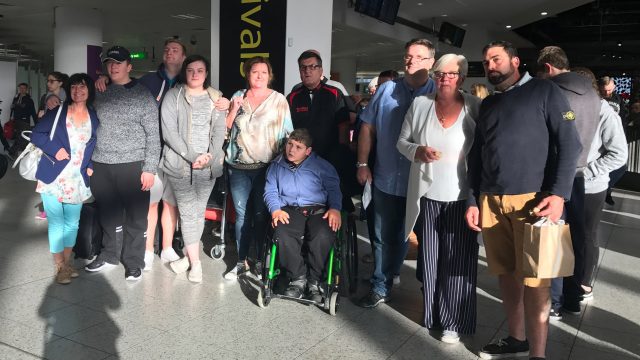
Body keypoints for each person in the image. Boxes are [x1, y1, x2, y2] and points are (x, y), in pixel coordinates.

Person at [465, 41, 581, 360]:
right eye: (486, 61)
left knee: (536, 280)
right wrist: (473, 199)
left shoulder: (545, 92)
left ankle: (538, 355)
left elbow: (571, 145)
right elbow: (477, 157)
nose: (490, 66)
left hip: (534, 201)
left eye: (496, 59)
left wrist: (559, 194)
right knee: (505, 274)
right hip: (491, 200)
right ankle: (517, 338)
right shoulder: (488, 105)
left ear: (515, 61)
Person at [397, 54, 480, 343]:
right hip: (428, 195)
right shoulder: (420, 105)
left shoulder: (475, 107)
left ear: (462, 77)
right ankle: (432, 313)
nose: (444, 78)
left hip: (461, 197)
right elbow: (402, 141)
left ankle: (453, 321)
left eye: (451, 74)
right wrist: (417, 151)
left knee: (458, 262)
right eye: (439, 73)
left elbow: (482, 153)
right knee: (431, 261)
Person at [356, 38, 436, 308]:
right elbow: (367, 127)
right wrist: (362, 163)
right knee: (380, 235)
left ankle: (407, 280)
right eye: (408, 56)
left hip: (424, 182)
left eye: (418, 57)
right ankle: (380, 285)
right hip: (386, 176)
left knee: (407, 236)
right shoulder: (387, 90)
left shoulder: (438, 92)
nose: (410, 61)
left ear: (431, 62)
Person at [85, 46, 161, 282]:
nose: (114, 66)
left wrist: (149, 168)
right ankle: (109, 255)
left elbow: (153, 134)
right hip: (101, 163)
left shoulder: (142, 95)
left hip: (133, 164)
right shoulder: (99, 91)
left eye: (119, 63)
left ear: (129, 66)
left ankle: (134, 262)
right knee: (108, 214)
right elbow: (79, 109)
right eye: (110, 63)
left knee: (137, 217)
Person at [536, 46, 601, 320]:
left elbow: (551, 138)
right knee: (575, 239)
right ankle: (573, 297)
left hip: (554, 176)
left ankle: (554, 300)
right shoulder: (593, 94)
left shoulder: (554, 92)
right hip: (578, 176)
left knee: (552, 240)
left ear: (548, 68)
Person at [224, 56, 293, 279]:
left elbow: (287, 134)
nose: (259, 76)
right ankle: (242, 260)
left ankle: (263, 262)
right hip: (238, 167)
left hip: (267, 168)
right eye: (255, 71)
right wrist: (233, 110)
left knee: (262, 215)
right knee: (242, 216)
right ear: (248, 74)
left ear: (269, 75)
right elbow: (225, 128)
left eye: (264, 72)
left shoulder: (279, 100)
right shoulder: (238, 96)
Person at [161, 54, 227, 283]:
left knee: (197, 214)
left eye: (200, 70)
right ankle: (196, 264)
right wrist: (192, 156)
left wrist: (208, 157)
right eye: (190, 70)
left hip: (207, 167)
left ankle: (188, 259)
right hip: (181, 166)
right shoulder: (173, 96)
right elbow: (169, 132)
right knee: (189, 213)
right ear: (185, 72)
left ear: (206, 73)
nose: (195, 74)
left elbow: (220, 131)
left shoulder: (217, 98)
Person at [30, 73, 99, 284]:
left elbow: (94, 145)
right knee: (57, 222)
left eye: (83, 87)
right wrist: (55, 149)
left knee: (72, 223)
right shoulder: (58, 112)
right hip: (54, 175)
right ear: (69, 90)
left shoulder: (93, 116)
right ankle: (60, 266)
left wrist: (90, 166)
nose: (78, 91)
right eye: (74, 87)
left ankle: (66, 263)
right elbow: (36, 135)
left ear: (89, 90)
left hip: (77, 178)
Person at [263, 128, 342, 301]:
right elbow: (270, 191)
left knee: (322, 234)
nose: (291, 150)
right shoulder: (276, 166)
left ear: (308, 151)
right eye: (290, 144)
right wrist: (275, 210)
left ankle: (314, 281)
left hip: (318, 209)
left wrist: (335, 208)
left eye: (298, 147)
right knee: (282, 232)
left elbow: (334, 189)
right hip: (290, 209)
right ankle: (297, 278)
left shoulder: (322, 166)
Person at [573, 66, 628, 306]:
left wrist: (587, 172)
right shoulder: (570, 108)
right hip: (569, 185)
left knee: (586, 236)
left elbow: (619, 154)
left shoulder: (605, 112)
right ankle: (570, 282)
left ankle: (584, 285)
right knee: (571, 237)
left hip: (591, 187)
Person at [286, 50, 354, 211]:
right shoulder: (292, 97)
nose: (307, 71)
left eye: (312, 67)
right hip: (302, 159)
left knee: (334, 198)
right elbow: (288, 129)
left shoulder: (334, 93)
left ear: (321, 70)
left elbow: (344, 125)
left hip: (331, 156)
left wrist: (342, 152)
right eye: (303, 68)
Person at [597, 76, 628, 205]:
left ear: (614, 87)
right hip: (599, 141)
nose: (607, 93)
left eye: (609, 90)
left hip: (613, 138)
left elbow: (622, 118)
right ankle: (603, 192)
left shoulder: (618, 99)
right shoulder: (596, 99)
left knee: (620, 167)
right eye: (604, 90)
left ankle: (607, 190)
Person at [9, 83, 37, 155]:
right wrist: (11, 116)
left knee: (24, 136)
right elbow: (12, 109)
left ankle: (15, 152)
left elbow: (33, 112)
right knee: (18, 136)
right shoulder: (15, 98)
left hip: (25, 121)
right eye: (20, 88)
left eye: (23, 88)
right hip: (17, 121)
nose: (22, 89)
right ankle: (15, 152)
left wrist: (36, 123)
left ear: (26, 89)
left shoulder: (29, 100)